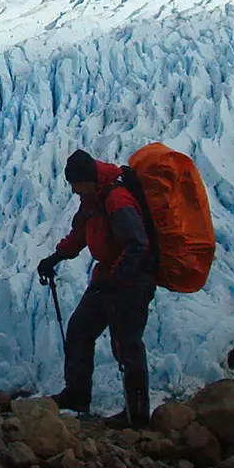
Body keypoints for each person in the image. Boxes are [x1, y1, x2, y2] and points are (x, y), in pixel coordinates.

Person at [35, 149, 155, 426]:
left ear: (88, 179)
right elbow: (80, 233)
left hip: (132, 280)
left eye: (77, 185)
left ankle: (136, 416)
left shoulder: (117, 198)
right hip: (109, 276)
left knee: (127, 344)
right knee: (80, 329)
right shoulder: (93, 198)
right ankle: (77, 394)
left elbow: (138, 244)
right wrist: (56, 257)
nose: (75, 191)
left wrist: (117, 279)